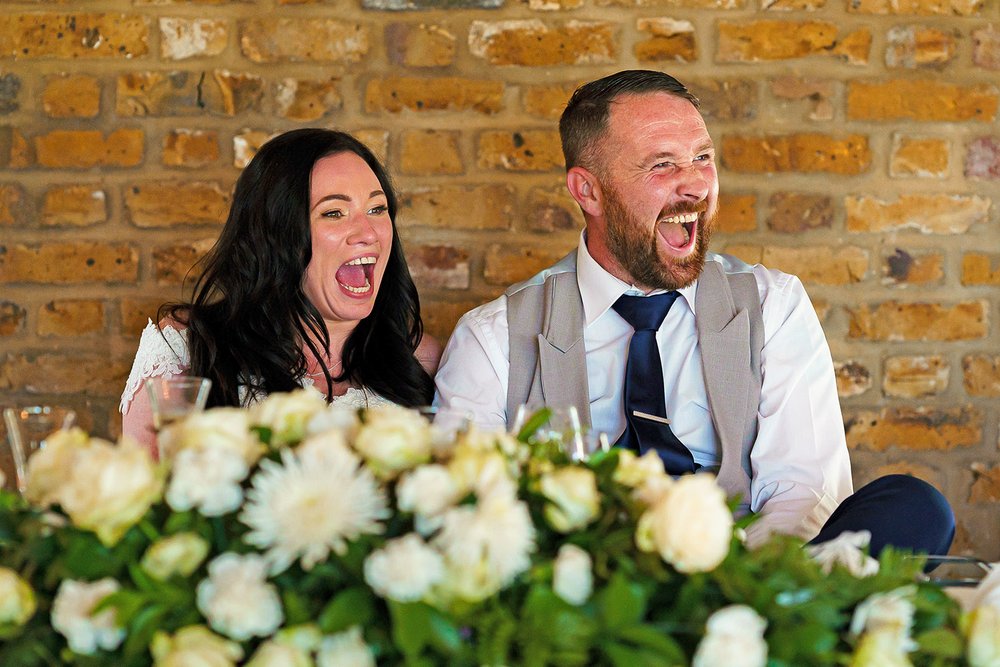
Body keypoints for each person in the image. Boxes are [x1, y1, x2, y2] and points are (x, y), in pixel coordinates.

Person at [434, 70, 954, 557]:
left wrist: (723, 587)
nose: (696, 185)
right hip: (590, 598)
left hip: (747, 577)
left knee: (914, 506)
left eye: (702, 157)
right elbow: (466, 517)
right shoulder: (494, 338)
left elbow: (802, 492)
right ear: (587, 190)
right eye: (662, 164)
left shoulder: (772, 305)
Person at [122, 128, 441, 451]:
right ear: (275, 234)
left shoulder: (421, 360)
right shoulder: (187, 348)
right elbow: (143, 491)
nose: (368, 233)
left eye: (377, 209)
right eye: (333, 213)